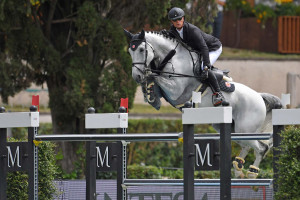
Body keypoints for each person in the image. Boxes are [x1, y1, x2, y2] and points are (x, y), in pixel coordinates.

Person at [167, 7, 229, 106]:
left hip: (212, 48)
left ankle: (218, 94)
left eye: (179, 19)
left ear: (183, 18)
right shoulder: (173, 30)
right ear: (171, 21)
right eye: (175, 20)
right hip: (200, 50)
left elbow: (204, 47)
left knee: (202, 68)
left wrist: (206, 66)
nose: (177, 21)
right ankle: (194, 100)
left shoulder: (192, 30)